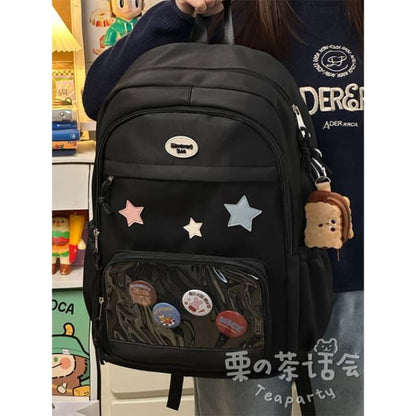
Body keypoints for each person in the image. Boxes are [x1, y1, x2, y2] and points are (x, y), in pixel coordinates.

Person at [82, 1, 364, 415]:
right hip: (236, 286)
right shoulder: (221, 7)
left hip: (360, 279)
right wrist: (179, 11)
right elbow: (100, 96)